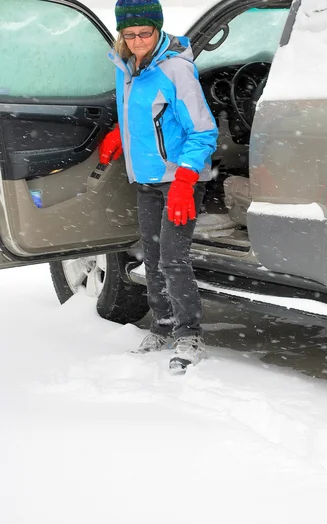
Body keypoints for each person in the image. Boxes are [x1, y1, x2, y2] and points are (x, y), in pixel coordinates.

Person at [99, 0, 218, 372]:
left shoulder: (176, 70)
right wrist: (123, 132)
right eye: (129, 34)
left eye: (144, 33)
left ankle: (189, 334)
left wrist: (185, 181)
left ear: (158, 29)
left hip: (179, 181)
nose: (137, 41)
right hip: (148, 181)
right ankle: (163, 327)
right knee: (151, 259)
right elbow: (148, 112)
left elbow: (203, 131)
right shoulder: (126, 67)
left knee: (172, 259)